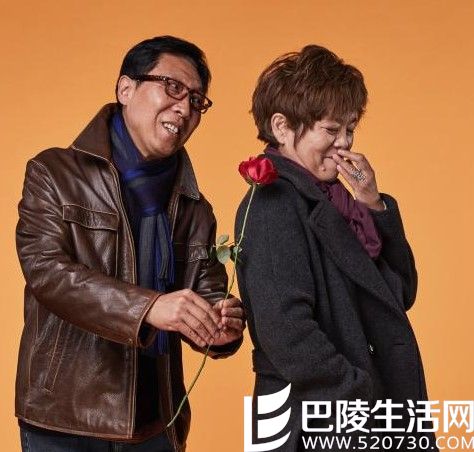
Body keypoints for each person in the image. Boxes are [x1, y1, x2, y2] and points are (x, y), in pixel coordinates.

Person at [15, 36, 244, 452]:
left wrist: (220, 323)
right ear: (125, 89)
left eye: (196, 100)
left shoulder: (194, 206)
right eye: (173, 87)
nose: (185, 108)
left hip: (156, 420)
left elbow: (204, 290)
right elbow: (47, 273)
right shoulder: (54, 172)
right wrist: (150, 307)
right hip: (65, 417)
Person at [235, 45, 437, 451]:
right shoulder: (274, 204)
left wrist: (372, 203)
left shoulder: (337, 202)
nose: (343, 144)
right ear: (282, 127)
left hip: (362, 413)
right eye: (330, 130)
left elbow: (402, 292)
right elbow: (286, 332)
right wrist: (358, 389)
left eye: (350, 129)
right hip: (317, 417)